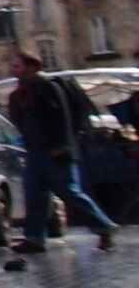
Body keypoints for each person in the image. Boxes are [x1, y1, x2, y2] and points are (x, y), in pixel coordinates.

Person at [8, 54, 116, 254]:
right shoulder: (20, 93)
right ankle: (34, 238)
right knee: (34, 195)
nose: (14, 69)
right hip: (35, 152)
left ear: (31, 67)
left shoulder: (49, 87)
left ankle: (104, 226)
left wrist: (63, 145)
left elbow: (63, 118)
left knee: (69, 192)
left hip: (54, 150)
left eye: (18, 65)